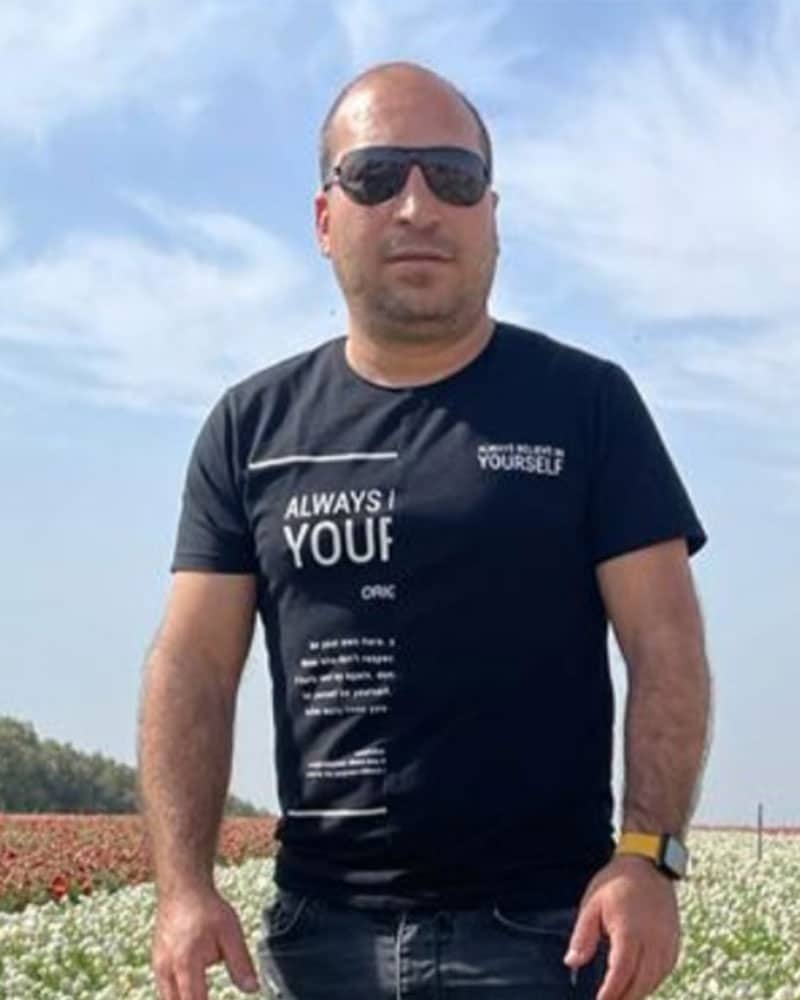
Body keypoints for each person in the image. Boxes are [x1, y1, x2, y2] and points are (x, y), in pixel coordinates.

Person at [137, 60, 712, 1000]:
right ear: (325, 218)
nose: (417, 206)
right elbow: (193, 664)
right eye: (375, 177)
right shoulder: (249, 428)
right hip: (320, 940)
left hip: (547, 937)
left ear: (493, 215)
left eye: (453, 176)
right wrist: (183, 888)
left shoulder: (589, 405)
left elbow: (667, 643)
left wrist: (649, 857)